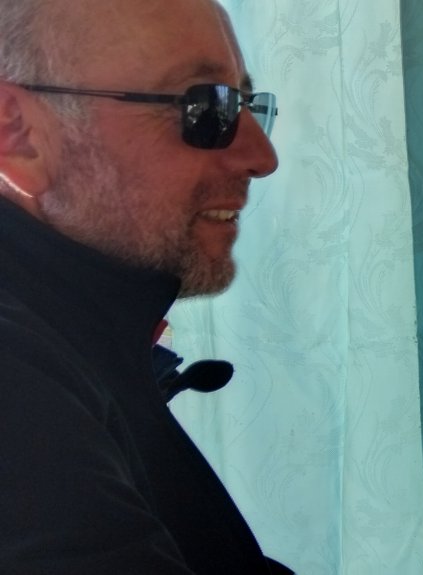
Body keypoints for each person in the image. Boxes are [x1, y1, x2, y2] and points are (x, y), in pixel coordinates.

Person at [0, 0, 289, 572]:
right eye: (206, 107)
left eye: (243, 103)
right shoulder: (14, 375)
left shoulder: (85, 329)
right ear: (20, 135)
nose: (262, 157)